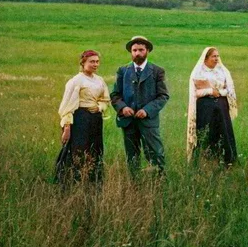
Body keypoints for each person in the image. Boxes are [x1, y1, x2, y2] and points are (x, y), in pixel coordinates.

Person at [111, 36, 170, 175]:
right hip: (128, 121)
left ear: (147, 50)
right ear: (131, 52)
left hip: (149, 121)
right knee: (132, 155)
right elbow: (115, 94)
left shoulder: (157, 71)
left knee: (156, 153)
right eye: (134, 50)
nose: (137, 53)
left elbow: (163, 96)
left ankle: (158, 182)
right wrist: (123, 107)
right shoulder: (123, 71)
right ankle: (135, 184)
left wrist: (147, 110)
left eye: (141, 50)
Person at [56, 50, 110, 182]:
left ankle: (93, 180)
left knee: (95, 149)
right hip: (80, 118)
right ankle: (74, 180)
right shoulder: (76, 81)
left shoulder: (100, 80)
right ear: (83, 62)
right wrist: (67, 127)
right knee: (79, 149)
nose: (95, 64)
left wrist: (99, 108)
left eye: (97, 62)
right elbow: (67, 106)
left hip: (95, 119)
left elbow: (105, 99)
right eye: (92, 61)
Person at [186, 47, 238, 165]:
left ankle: (227, 161)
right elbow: (195, 93)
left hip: (221, 106)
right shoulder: (198, 72)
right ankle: (205, 161)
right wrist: (209, 91)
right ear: (206, 58)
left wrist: (219, 92)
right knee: (206, 133)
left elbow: (229, 90)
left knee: (223, 131)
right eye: (213, 56)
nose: (216, 59)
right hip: (204, 107)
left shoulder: (222, 71)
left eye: (217, 56)